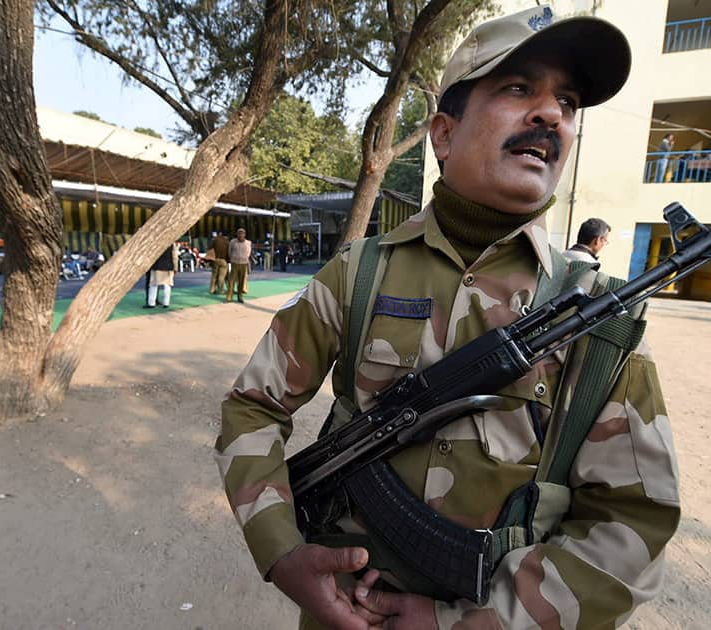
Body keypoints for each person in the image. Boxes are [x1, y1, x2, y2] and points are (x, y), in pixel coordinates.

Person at [215, 6, 679, 629]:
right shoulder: (359, 273)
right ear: (442, 134)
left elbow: (634, 521)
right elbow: (252, 406)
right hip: (345, 610)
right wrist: (282, 551)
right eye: (518, 88)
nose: (550, 115)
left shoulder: (599, 314)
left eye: (567, 102)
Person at [146, 243, 178, 308]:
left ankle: (151, 303)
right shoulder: (172, 244)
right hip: (168, 266)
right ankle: (166, 303)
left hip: (156, 266)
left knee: (153, 285)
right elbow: (175, 256)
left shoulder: (154, 243)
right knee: (167, 285)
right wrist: (175, 267)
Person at [226, 228, 251, 304]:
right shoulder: (232, 242)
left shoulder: (248, 243)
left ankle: (240, 297)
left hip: (243, 264)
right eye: (239, 233)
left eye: (242, 233)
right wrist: (233, 258)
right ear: (237, 234)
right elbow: (229, 251)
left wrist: (244, 258)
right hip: (234, 263)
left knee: (241, 281)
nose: (241, 235)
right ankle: (229, 297)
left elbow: (248, 253)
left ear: (245, 235)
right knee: (231, 281)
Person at [209, 230, 230, 295]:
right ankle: (221, 290)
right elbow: (228, 252)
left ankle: (212, 290)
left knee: (214, 276)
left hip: (215, 260)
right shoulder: (227, 242)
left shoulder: (215, 240)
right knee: (222, 276)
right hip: (223, 260)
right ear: (227, 236)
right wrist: (229, 261)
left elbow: (210, 248)